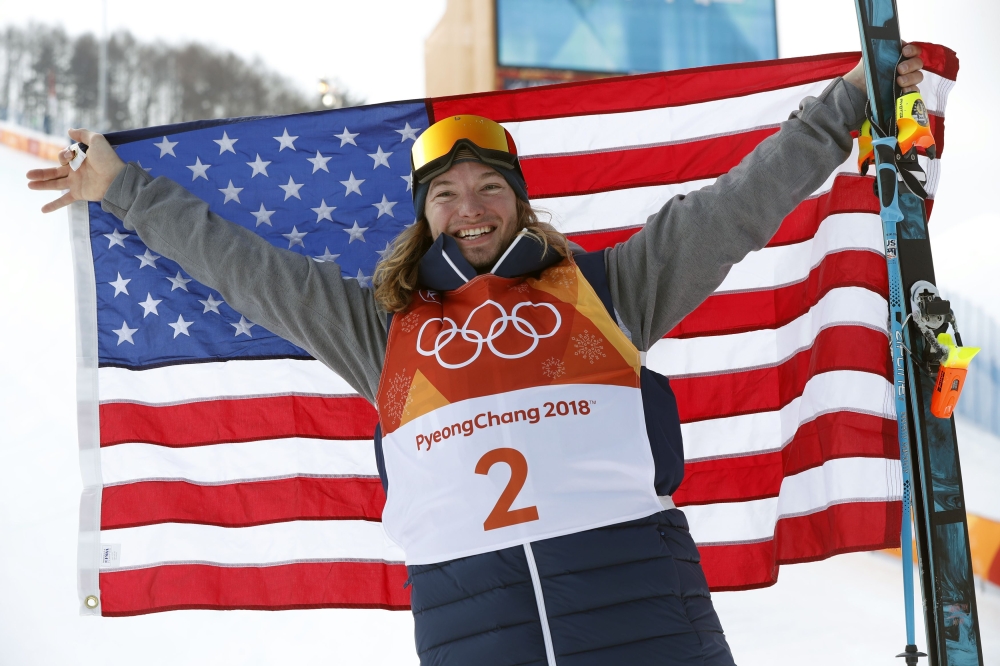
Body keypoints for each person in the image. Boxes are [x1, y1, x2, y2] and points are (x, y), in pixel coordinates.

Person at [28, 46, 926, 666]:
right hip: (476, 637)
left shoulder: (611, 294)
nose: (471, 206)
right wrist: (126, 191)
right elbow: (249, 271)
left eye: (491, 186)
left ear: (521, 205)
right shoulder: (384, 336)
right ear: (425, 217)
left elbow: (737, 206)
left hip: (649, 629)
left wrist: (848, 102)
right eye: (447, 194)